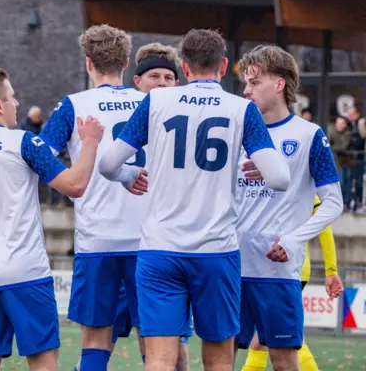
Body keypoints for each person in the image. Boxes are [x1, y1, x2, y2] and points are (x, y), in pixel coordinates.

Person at [98, 28, 290, 371]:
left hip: (160, 248)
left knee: (158, 358)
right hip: (216, 251)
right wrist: (261, 167)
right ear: (224, 65)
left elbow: (109, 163)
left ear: (184, 68)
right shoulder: (241, 109)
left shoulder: (155, 100)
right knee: (218, 359)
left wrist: (128, 176)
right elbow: (279, 178)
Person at [0, 67, 104, 371]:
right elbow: (75, 186)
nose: (16, 103)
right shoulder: (23, 142)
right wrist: (91, 142)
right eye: (12, 97)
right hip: (25, 272)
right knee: (43, 362)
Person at [39, 24, 148, 371]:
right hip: (150, 241)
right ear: (127, 62)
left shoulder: (73, 106)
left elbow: (39, 156)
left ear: (88, 63)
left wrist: (70, 183)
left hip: (97, 241)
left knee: (95, 345)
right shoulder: (151, 103)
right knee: (158, 347)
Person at [234, 45, 343, 370]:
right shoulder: (233, 131)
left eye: (254, 82)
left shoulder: (309, 136)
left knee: (283, 361)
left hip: (277, 273)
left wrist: (293, 240)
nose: (246, 89)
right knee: (220, 358)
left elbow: (333, 203)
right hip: (229, 265)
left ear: (279, 84)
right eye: (246, 83)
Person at [108, 42, 191, 371]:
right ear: (137, 81)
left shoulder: (186, 121)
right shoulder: (113, 112)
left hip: (161, 244)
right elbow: (98, 164)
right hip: (115, 241)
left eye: (169, 77)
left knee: (169, 347)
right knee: (99, 343)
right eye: (153, 75)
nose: (161, 82)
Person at [240, 197, 343, 371]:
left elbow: (324, 225)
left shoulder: (301, 182)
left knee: (282, 342)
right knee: (264, 341)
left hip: (288, 272)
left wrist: (331, 270)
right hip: (263, 270)